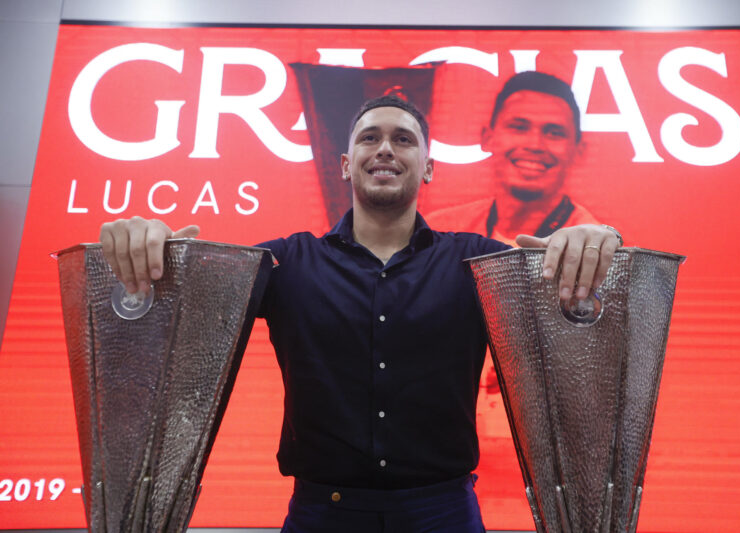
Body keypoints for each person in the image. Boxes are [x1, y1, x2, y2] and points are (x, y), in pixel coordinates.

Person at [99, 95, 621, 532]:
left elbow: (579, 308)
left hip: (444, 513)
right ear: (347, 164)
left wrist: (602, 242)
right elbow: (177, 310)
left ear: (429, 167)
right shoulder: (287, 261)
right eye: (369, 138)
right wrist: (149, 249)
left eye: (404, 139)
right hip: (320, 514)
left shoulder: (479, 260)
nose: (386, 149)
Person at [426, 71, 602, 246]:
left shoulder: (595, 248)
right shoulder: (439, 232)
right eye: (519, 127)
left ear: (579, 151)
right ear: (488, 138)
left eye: (554, 133)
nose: (534, 145)